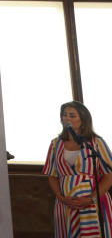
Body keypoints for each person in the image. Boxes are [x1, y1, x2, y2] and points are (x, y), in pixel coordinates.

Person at [43, 101, 112, 237]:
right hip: (66, 203)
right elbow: (51, 175)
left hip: (93, 203)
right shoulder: (55, 144)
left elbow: (109, 175)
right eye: (64, 115)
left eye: (72, 115)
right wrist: (61, 198)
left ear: (83, 119)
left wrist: (91, 199)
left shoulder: (96, 142)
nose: (67, 118)